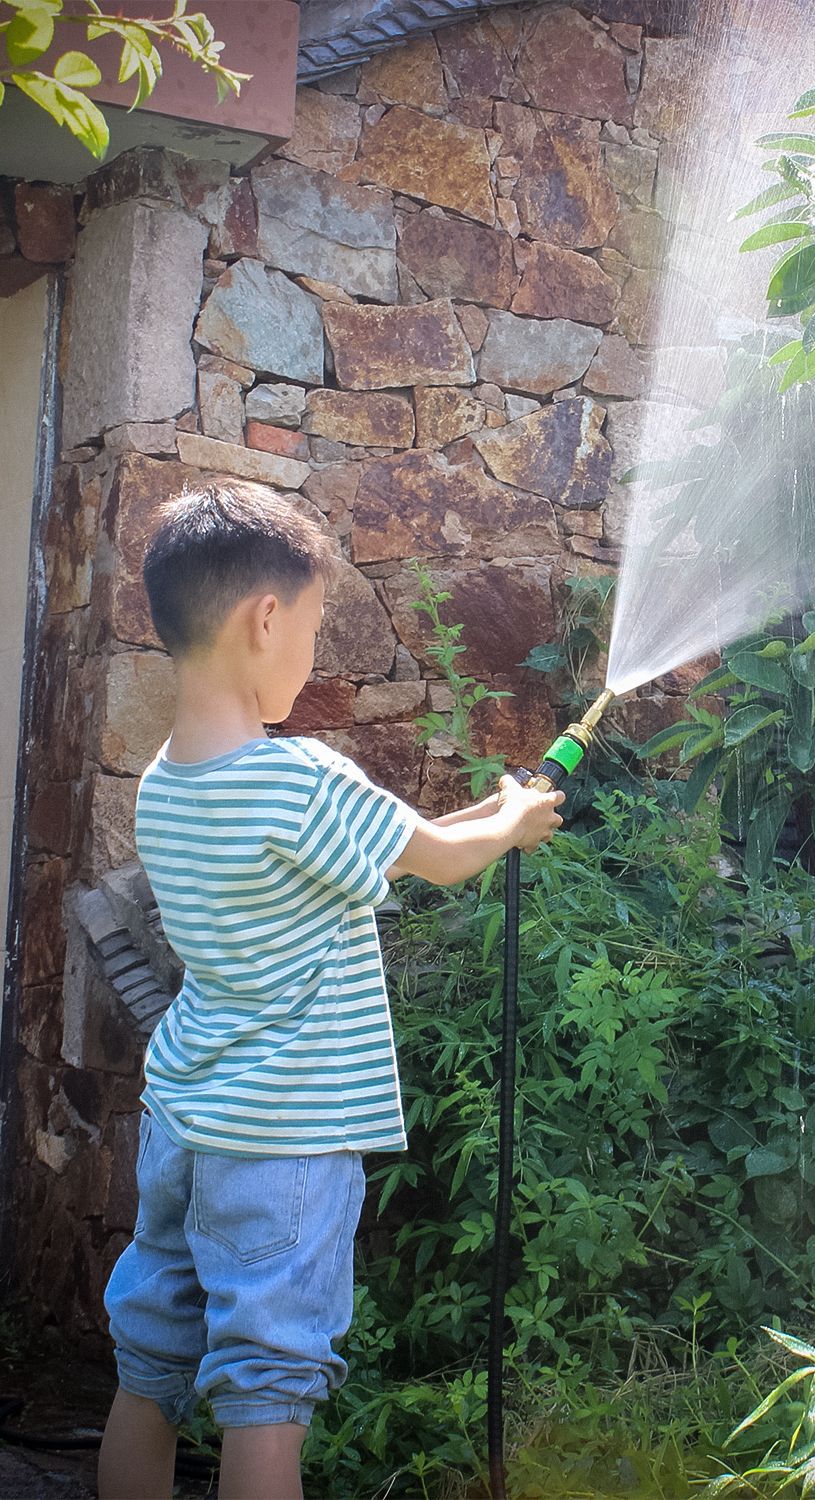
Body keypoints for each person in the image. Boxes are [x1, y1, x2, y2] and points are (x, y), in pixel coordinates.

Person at [95, 478, 564, 1500]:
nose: (311, 656)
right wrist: (516, 821)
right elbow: (441, 857)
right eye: (310, 629)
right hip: (288, 1143)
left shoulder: (165, 783)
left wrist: (488, 814)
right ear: (265, 620)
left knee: (151, 1374)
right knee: (267, 1397)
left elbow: (399, 846)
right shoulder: (301, 779)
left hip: (186, 1118)